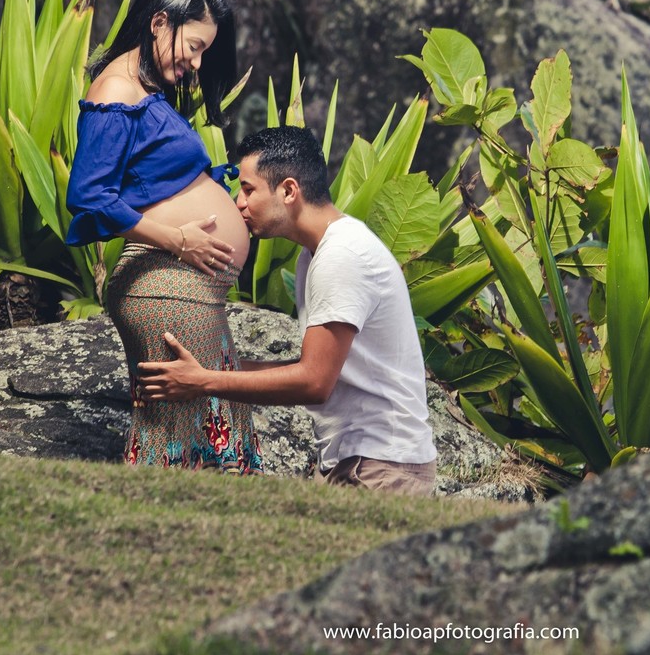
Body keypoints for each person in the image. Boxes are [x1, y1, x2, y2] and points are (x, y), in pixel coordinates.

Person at [136, 126, 438, 495]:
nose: (239, 203)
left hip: (380, 468)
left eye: (248, 189)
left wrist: (203, 382)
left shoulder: (342, 256)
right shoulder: (316, 254)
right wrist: (205, 371)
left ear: (289, 190)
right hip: (357, 461)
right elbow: (314, 368)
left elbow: (314, 382)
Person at [66, 0, 263, 475]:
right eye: (194, 47)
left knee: (208, 418)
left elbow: (156, 178)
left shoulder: (141, 90)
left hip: (184, 283)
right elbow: (89, 196)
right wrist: (179, 239)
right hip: (165, 280)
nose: (196, 63)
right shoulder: (115, 90)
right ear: (159, 22)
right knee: (180, 431)